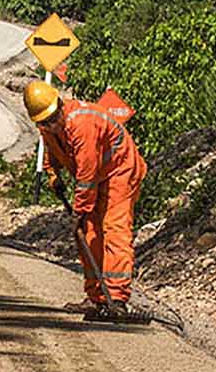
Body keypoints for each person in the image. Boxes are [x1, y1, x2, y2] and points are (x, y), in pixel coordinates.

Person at [23, 81, 147, 315]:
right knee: (88, 234)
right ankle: (97, 298)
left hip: (120, 171)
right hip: (97, 176)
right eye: (44, 122)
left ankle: (117, 298)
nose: (50, 125)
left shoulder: (82, 124)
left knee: (114, 229)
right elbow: (52, 150)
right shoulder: (47, 126)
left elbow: (86, 176)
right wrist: (52, 173)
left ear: (60, 105)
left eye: (51, 119)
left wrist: (79, 211)